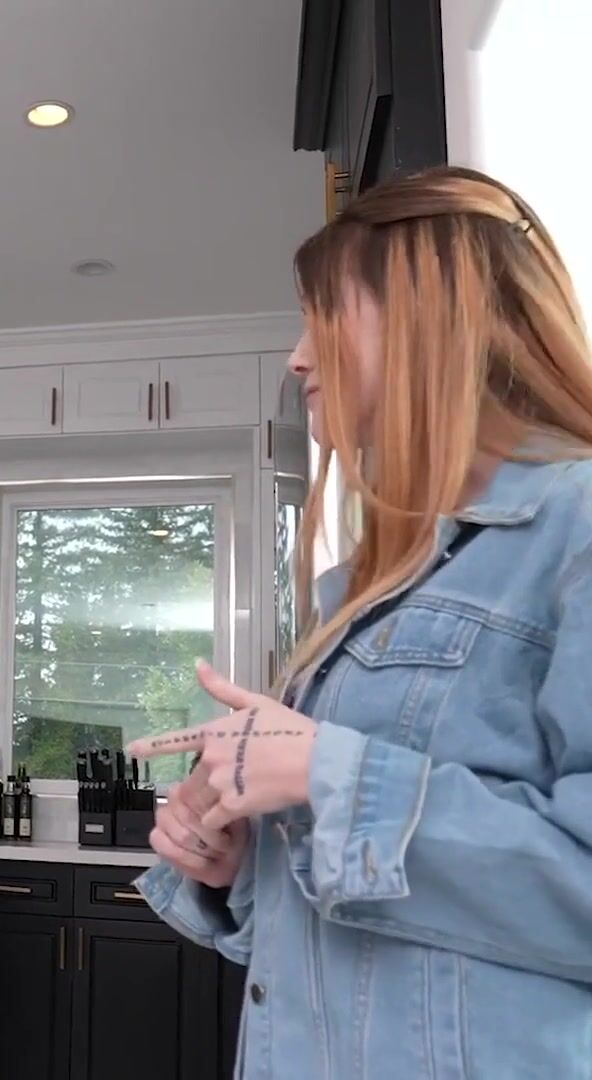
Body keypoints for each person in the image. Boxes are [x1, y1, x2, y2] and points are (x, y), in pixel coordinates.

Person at [124, 164, 592, 1078]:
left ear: (431, 319)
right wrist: (238, 865)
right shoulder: (365, 590)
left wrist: (326, 775)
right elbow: (360, 940)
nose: (297, 359)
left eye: (324, 316)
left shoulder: (577, 526)